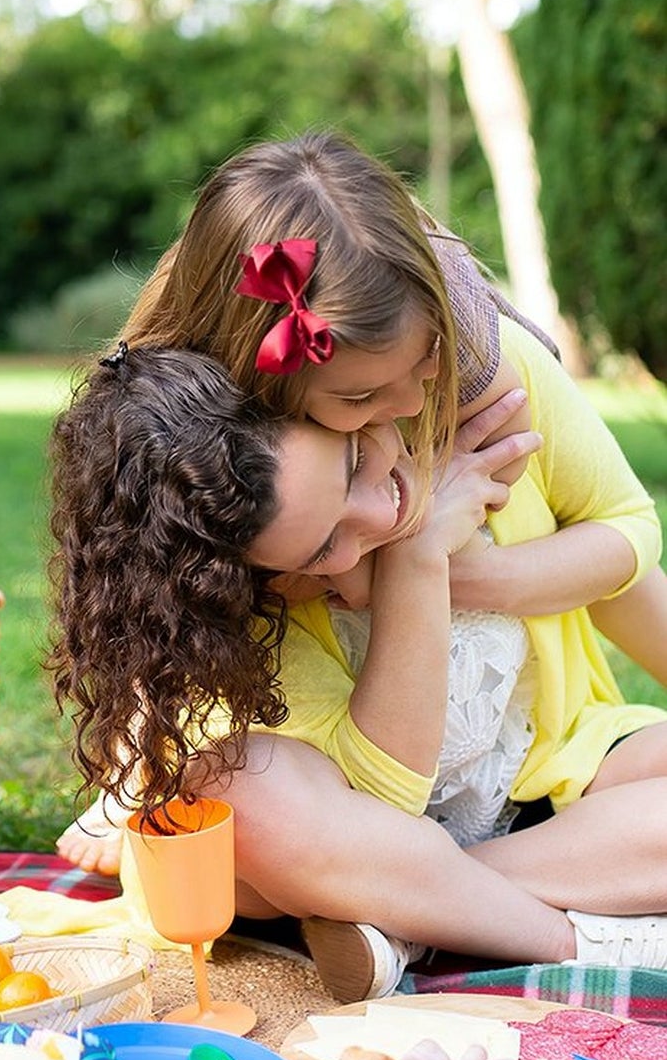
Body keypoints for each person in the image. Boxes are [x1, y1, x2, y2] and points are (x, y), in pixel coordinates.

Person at [55, 130, 667, 885]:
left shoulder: (485, 381)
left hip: (547, 757)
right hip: (354, 797)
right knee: (242, 831)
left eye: (424, 360)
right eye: (357, 400)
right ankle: (454, 890)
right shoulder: (240, 496)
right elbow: (165, 622)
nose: (409, 402)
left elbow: (628, 530)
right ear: (262, 385)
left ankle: (439, 900)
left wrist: (464, 574)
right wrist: (407, 560)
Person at [24, 341, 667, 1001]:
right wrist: (414, 560)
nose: (377, 512)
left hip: (539, 787)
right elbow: (383, 807)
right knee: (239, 793)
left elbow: (624, 552)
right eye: (323, 544)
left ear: (335, 403)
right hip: (348, 837)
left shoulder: (479, 395)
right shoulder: (255, 577)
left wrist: (463, 569)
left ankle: (408, 925)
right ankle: (572, 938)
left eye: (355, 459)